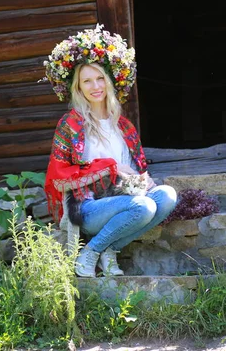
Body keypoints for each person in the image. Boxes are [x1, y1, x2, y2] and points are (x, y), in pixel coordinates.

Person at [43, 24, 177, 278]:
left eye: (100, 78)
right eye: (87, 81)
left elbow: (138, 169)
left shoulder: (124, 126)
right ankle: (90, 252)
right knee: (143, 207)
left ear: (109, 81)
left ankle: (107, 249)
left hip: (127, 198)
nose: (95, 86)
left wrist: (142, 179)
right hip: (90, 206)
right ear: (78, 87)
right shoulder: (70, 124)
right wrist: (109, 167)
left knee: (166, 196)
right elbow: (58, 177)